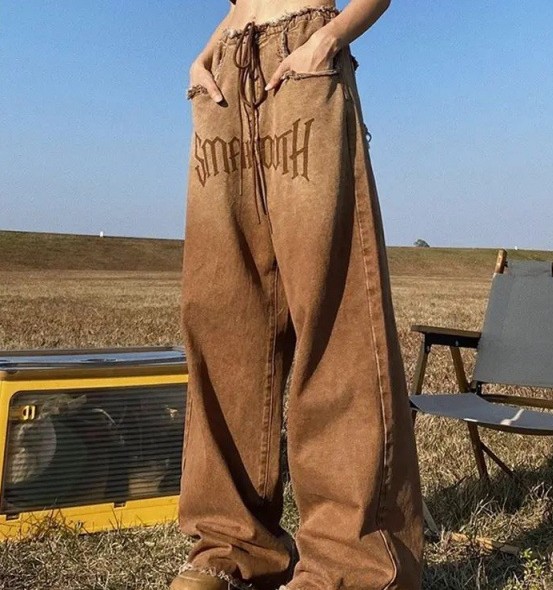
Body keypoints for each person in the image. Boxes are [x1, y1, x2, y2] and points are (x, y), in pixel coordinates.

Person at [173, 1, 424, 589]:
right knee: (223, 316)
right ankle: (232, 546)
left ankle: (351, 563)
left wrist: (329, 38)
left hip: (305, 55)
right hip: (225, 78)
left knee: (334, 316)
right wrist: (205, 56)